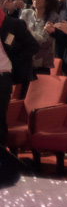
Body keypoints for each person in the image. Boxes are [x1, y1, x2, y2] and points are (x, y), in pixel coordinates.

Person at [0, 8, 40, 146]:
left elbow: (33, 46)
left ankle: (2, 155)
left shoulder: (13, 24)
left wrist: (13, 61)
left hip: (3, 77)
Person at [20, 0, 63, 73]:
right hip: (24, 62)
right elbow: (19, 35)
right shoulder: (25, 13)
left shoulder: (53, 17)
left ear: (47, 1)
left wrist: (28, 31)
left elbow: (44, 42)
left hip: (41, 64)